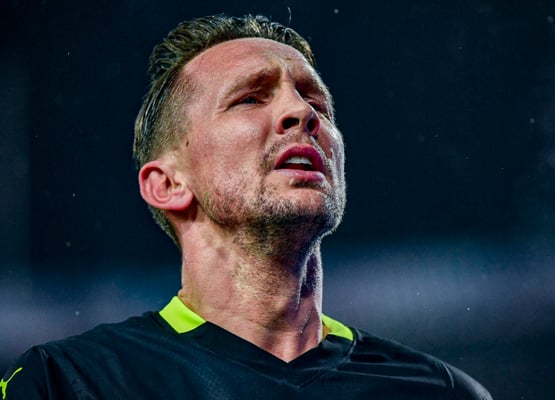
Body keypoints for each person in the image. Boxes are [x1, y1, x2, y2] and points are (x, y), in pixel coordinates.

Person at [2, 14, 492, 399]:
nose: (302, 113)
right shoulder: (68, 382)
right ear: (168, 184)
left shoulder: (440, 392)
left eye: (317, 103)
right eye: (250, 99)